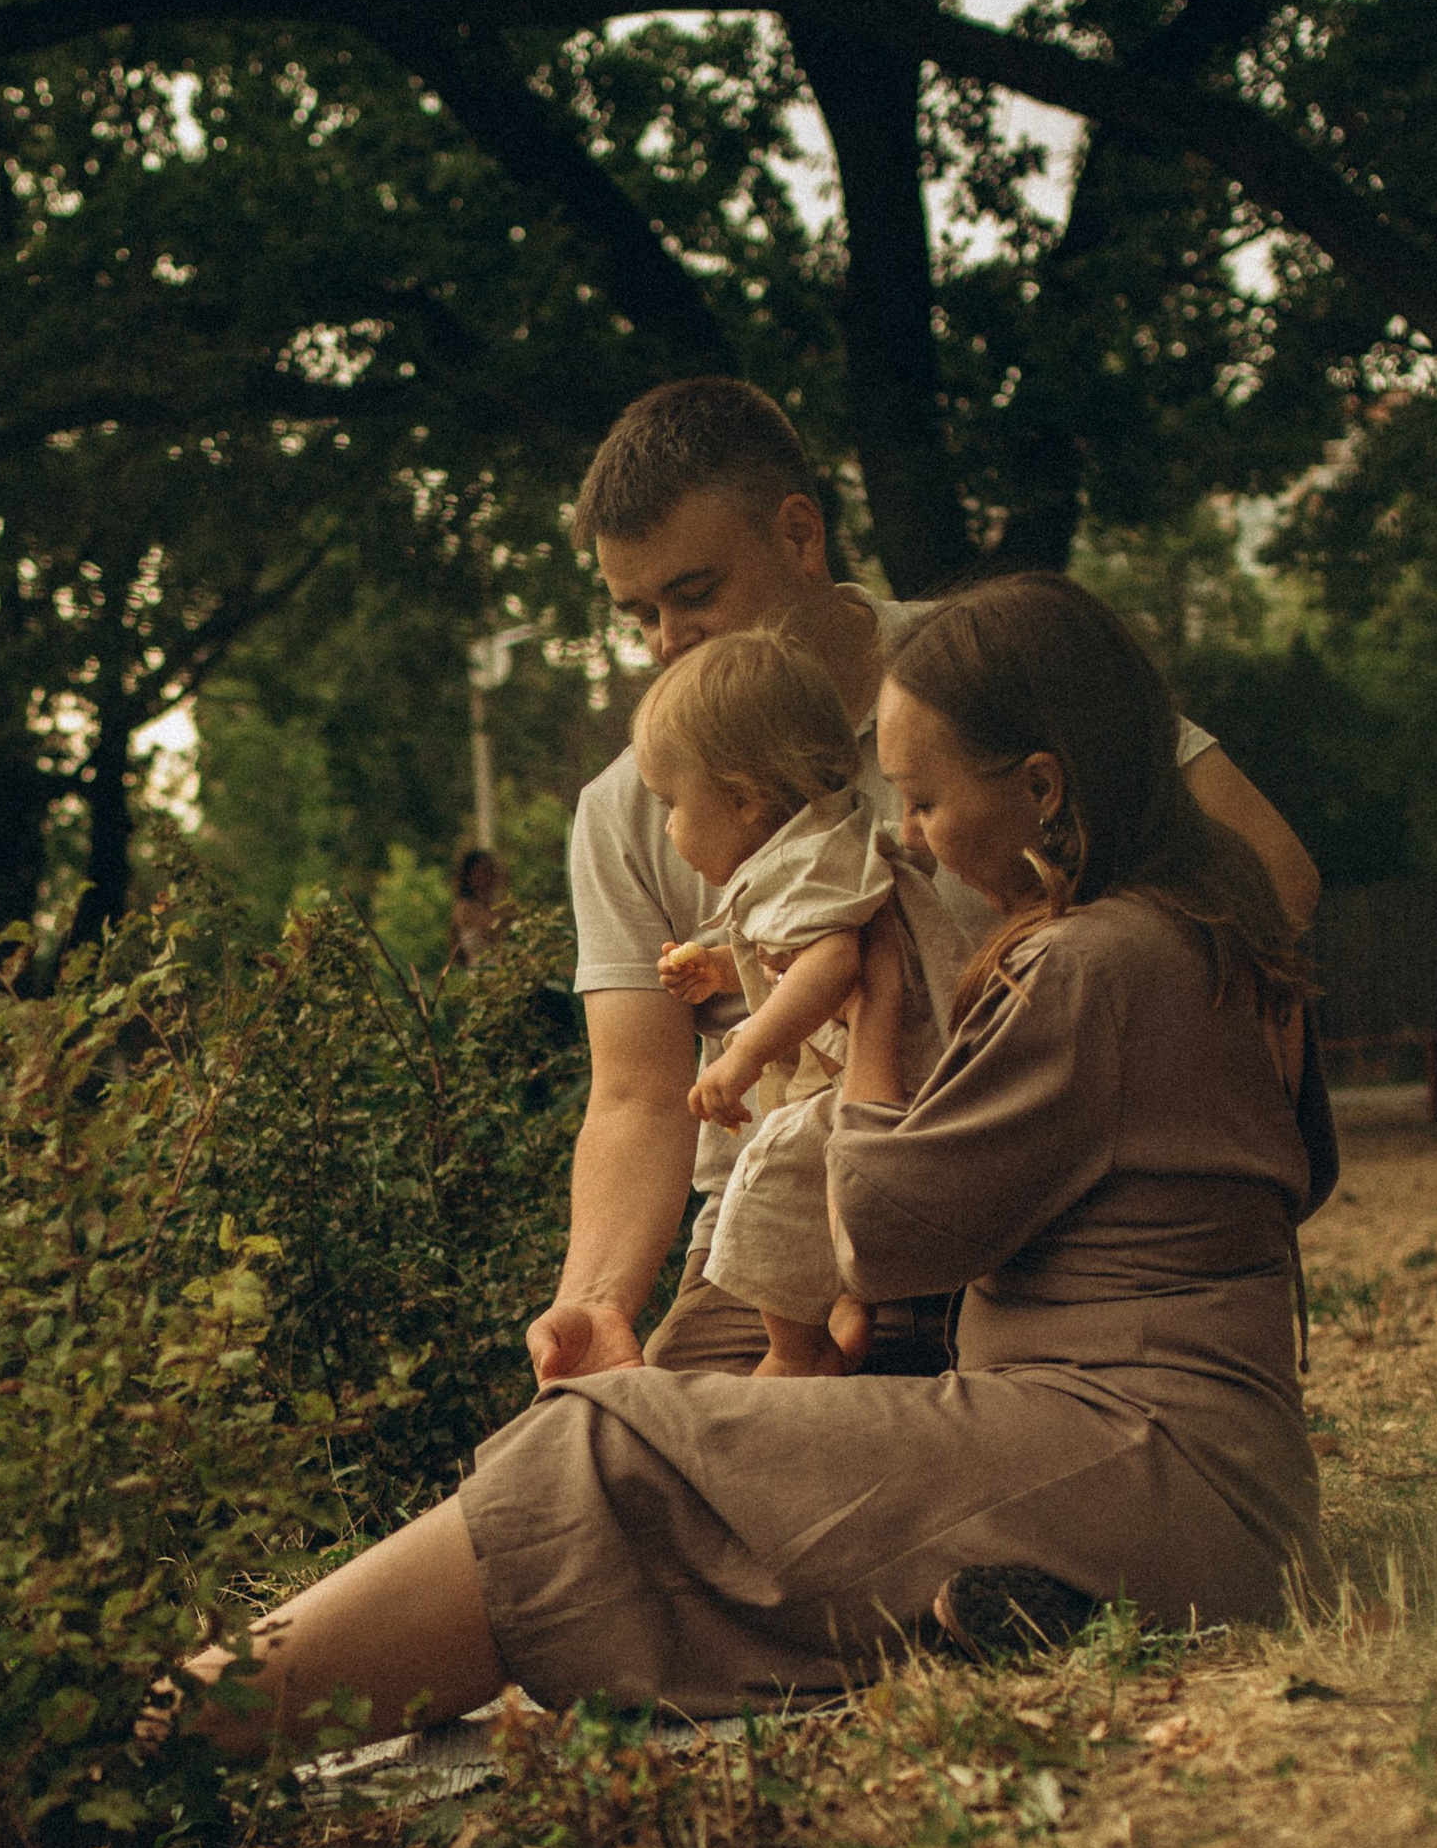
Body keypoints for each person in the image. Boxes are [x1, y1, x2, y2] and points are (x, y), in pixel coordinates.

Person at [183, 573, 1333, 1746]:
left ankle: (174, 1730)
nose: (904, 837)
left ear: (1039, 788)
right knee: (659, 1439)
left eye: (926, 801)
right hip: (1186, 1469)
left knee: (602, 1452)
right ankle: (996, 1612)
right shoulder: (1200, 925)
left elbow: (879, 1234)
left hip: (1140, 1463)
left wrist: (877, 1004)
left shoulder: (1094, 961)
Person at [532, 380, 1323, 1390]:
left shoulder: (991, 664)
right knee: (634, 1480)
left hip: (1050, 1218)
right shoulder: (636, 800)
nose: (666, 643)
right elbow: (641, 1093)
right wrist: (595, 1300)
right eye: (638, 612)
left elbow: (1269, 877)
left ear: (799, 533)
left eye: (693, 594)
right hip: (784, 1245)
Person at [630, 626, 960, 1375]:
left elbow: (833, 960)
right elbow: (792, 953)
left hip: (888, 1089)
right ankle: (845, 1295)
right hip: (896, 1078)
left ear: (744, 801)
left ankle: (797, 1348)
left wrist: (744, 1055)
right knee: (804, 1173)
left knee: (768, 1174)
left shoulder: (801, 865)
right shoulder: (822, 842)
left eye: (671, 806)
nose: (670, 829)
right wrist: (717, 969)